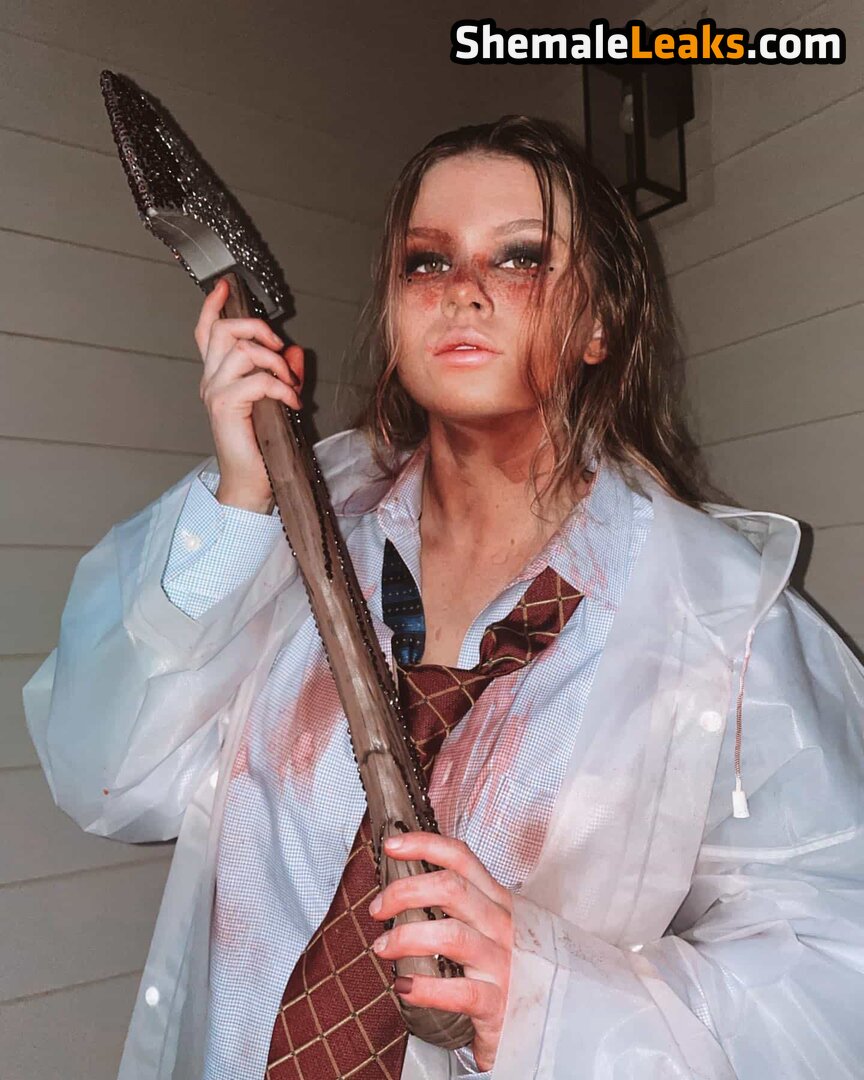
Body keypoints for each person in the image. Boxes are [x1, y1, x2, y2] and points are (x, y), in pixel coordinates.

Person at [24, 115, 864, 1080]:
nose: (462, 289)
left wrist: (552, 997)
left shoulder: (716, 623)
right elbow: (107, 774)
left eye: (519, 258)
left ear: (600, 324)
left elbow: (833, 973)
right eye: (427, 262)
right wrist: (240, 501)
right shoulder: (289, 539)